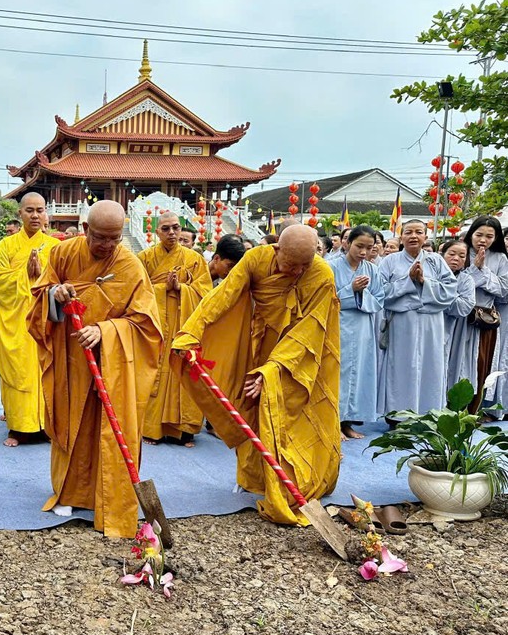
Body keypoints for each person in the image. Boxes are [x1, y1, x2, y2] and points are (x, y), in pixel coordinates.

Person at [172, 225, 342, 526]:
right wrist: (191, 332)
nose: (296, 272)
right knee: (252, 408)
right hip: (261, 344)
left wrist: (274, 368)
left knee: (295, 416)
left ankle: (298, 479)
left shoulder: (321, 275)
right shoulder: (256, 259)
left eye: (304, 266)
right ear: (276, 250)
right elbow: (221, 297)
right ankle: (255, 478)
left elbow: (308, 330)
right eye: (290, 264)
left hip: (302, 357)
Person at [29, 200, 162, 539]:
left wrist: (105, 331)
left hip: (113, 365)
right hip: (72, 360)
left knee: (108, 428)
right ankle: (69, 492)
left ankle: (109, 498)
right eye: (100, 237)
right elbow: (40, 295)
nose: (106, 246)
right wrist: (56, 294)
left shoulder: (131, 267)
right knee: (72, 423)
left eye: (114, 239)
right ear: (86, 229)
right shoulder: (64, 254)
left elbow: (147, 325)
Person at [0, 192, 60, 446]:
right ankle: (18, 428)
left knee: (45, 371)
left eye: (40, 210)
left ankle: (47, 425)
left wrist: (42, 278)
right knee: (19, 370)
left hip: (45, 320)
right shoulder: (5, 247)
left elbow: (64, 281)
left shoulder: (55, 247)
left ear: (46, 214)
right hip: (16, 319)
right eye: (29, 210)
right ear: (20, 214)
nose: (35, 215)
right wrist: (24, 275)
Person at [137, 211, 212, 446]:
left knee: (184, 372)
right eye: (166, 228)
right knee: (155, 372)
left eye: (176, 228)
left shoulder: (195, 259)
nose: (172, 233)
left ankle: (184, 431)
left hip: (183, 325)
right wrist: (162, 290)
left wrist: (182, 289)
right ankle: (151, 429)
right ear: (157, 232)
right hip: (156, 325)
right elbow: (137, 291)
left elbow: (206, 293)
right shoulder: (145, 258)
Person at [377, 220, 458, 417]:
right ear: (401, 237)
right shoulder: (389, 261)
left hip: (431, 323)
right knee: (401, 366)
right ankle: (399, 415)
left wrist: (424, 282)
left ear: (425, 237)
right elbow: (380, 292)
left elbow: (450, 290)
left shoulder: (436, 260)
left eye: (418, 232)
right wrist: (408, 281)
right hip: (402, 322)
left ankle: (428, 413)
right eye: (408, 232)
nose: (413, 236)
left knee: (431, 366)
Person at [332, 226, 384, 440]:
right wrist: (350, 290)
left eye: (369, 247)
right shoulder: (331, 267)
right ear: (347, 244)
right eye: (359, 246)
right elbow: (326, 298)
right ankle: (333, 422)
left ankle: (349, 422)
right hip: (339, 325)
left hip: (363, 328)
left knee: (360, 374)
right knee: (339, 373)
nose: (363, 252)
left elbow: (380, 298)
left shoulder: (372, 270)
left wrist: (362, 295)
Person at [463, 217, 508, 413]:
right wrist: (475, 270)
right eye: (479, 234)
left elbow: (504, 289)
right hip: (460, 316)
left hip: (485, 319)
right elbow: (455, 282)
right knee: (458, 362)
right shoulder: (461, 252)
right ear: (471, 234)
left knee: (482, 363)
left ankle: (475, 410)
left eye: (489, 236)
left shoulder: (500, 258)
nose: (483, 240)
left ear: (496, 238)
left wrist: (483, 271)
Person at [440, 240, 477, 393]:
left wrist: (441, 294)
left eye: (462, 256)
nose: (456, 258)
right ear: (442, 255)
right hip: (429, 326)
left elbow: (464, 307)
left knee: (451, 365)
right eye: (451, 254)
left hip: (455, 329)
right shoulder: (430, 275)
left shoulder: (467, 280)